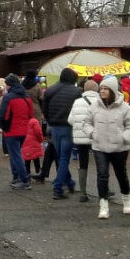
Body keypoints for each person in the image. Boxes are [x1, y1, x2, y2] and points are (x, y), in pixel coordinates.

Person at [82, 77, 130, 219]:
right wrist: (92, 133)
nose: (102, 91)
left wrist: (124, 137)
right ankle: (104, 205)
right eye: (101, 89)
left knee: (121, 174)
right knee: (102, 175)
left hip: (119, 147)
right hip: (99, 146)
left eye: (106, 89)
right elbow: (86, 123)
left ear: (113, 90)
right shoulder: (94, 106)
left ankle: (126, 201)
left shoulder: (125, 107)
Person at [42, 68, 81, 199]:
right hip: (68, 127)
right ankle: (58, 187)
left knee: (61, 157)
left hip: (54, 127)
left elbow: (44, 109)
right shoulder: (76, 92)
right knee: (64, 158)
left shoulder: (50, 90)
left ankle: (69, 183)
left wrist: (50, 120)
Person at [0, 74, 35, 190]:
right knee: (17, 155)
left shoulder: (8, 98)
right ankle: (18, 177)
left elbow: (3, 115)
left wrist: (4, 127)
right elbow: (31, 114)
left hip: (11, 130)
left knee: (15, 156)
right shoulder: (26, 96)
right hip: (24, 130)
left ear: (9, 85)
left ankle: (23, 179)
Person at [67, 79, 100, 203]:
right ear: (97, 89)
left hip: (81, 137)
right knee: (100, 163)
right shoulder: (100, 101)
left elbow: (70, 120)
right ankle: (104, 190)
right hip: (96, 136)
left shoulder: (77, 102)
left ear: (84, 89)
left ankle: (83, 192)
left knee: (83, 163)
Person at [21, 113, 44, 179]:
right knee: (36, 159)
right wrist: (40, 140)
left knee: (27, 160)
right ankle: (38, 173)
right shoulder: (34, 121)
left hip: (25, 143)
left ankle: (27, 175)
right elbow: (38, 132)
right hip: (34, 143)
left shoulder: (23, 121)